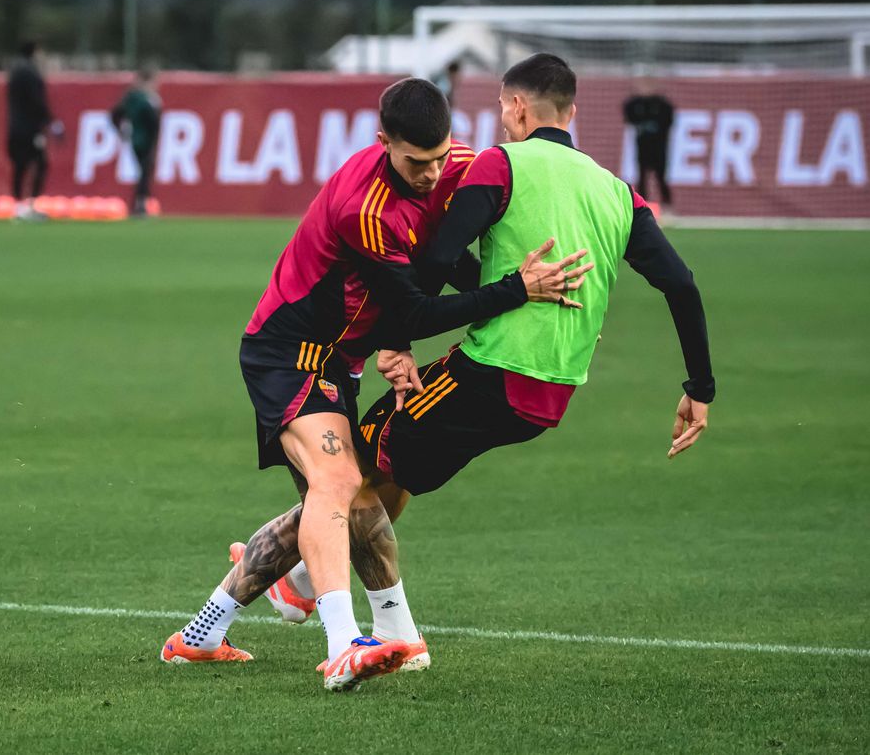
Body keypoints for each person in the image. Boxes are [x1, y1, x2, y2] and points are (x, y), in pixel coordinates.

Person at [240, 54, 714, 628]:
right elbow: (682, 284)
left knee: (346, 473)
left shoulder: (496, 164)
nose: (437, 173)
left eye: (499, 107)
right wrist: (700, 386)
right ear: (572, 111)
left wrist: (412, 336)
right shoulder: (617, 191)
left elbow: (432, 271)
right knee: (387, 471)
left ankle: (287, 584)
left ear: (515, 107)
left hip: (493, 369)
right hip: (555, 393)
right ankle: (306, 587)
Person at [159, 78, 593, 692]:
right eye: (418, 162)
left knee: (368, 493)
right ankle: (346, 645)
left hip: (343, 363)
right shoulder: (365, 208)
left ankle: (204, 633)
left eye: (441, 157)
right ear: (383, 140)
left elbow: (447, 261)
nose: (432, 173)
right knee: (340, 484)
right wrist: (515, 291)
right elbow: (415, 305)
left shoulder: (458, 164)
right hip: (289, 355)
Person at [6, 40, 61, 205]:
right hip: (29, 129)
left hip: (15, 127)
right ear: (34, 52)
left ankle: (17, 204)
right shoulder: (30, 72)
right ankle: (31, 203)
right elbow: (37, 102)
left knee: (20, 166)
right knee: (39, 164)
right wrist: (51, 122)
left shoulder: (15, 70)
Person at [111, 66, 163, 217]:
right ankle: (139, 205)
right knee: (145, 172)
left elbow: (115, 114)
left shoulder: (132, 97)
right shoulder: (143, 98)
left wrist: (120, 130)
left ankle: (139, 204)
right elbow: (152, 121)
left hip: (137, 138)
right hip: (144, 139)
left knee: (143, 172)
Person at [623, 81, 675, 208]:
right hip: (642, 148)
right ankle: (641, 206)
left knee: (661, 177)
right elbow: (627, 112)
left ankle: (667, 206)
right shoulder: (636, 104)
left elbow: (669, 119)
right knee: (642, 177)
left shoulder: (661, 104)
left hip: (659, 149)